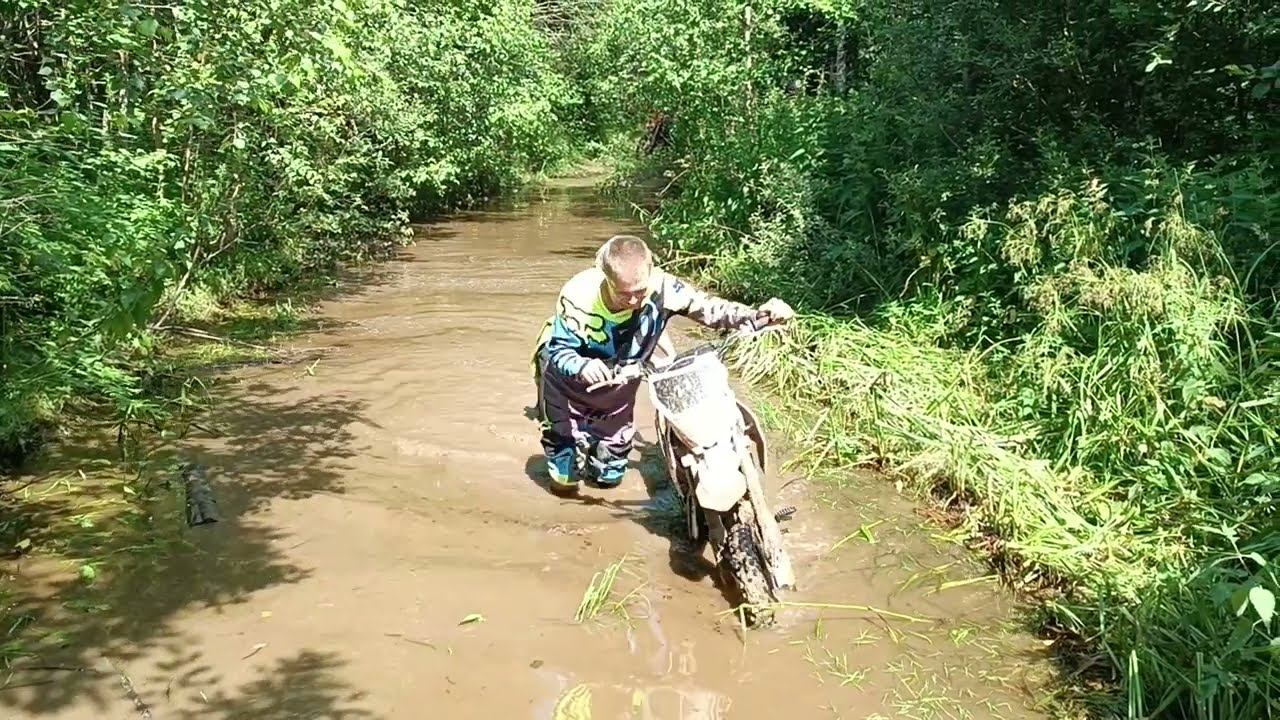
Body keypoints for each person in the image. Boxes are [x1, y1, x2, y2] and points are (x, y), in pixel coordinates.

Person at [530, 234, 794, 495]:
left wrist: (759, 316)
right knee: (564, 478)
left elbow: (712, 309)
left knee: (608, 479)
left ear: (651, 273)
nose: (634, 301)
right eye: (624, 294)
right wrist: (582, 366)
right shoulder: (579, 296)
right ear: (606, 278)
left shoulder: (665, 288)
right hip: (568, 390)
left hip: (618, 389)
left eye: (639, 292)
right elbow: (559, 350)